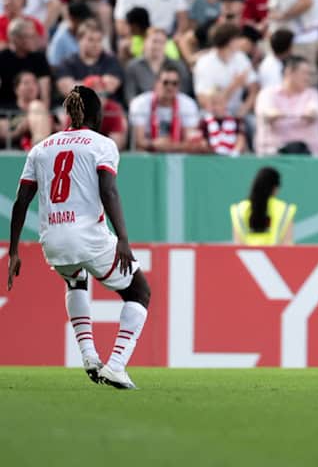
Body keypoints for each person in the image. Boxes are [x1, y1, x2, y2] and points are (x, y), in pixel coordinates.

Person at [8, 84, 151, 390]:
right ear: (96, 114)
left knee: (75, 280)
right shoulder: (102, 144)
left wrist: (14, 251)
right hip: (88, 236)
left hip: (52, 240)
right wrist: (123, 238)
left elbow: (21, 201)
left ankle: (88, 356)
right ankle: (115, 365)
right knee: (139, 292)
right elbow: (108, 190)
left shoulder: (41, 148)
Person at [254, 55, 318, 156]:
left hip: (308, 155)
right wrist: (295, 115)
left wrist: (284, 115)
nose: (308, 78)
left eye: (309, 74)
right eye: (304, 73)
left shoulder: (313, 94)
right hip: (274, 154)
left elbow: (313, 112)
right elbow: (268, 113)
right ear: (289, 72)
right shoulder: (267, 93)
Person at [129, 64, 201, 153]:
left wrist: (170, 146)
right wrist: (153, 144)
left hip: (178, 154)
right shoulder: (140, 103)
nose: (170, 87)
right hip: (148, 154)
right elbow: (138, 142)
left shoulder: (188, 104)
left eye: (174, 83)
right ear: (156, 83)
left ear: (179, 86)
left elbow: (190, 142)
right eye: (165, 82)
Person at [231, 166, 296, 245]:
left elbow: (237, 245)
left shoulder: (239, 209)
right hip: (276, 257)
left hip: (245, 256)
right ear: (275, 188)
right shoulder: (285, 209)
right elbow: (287, 245)